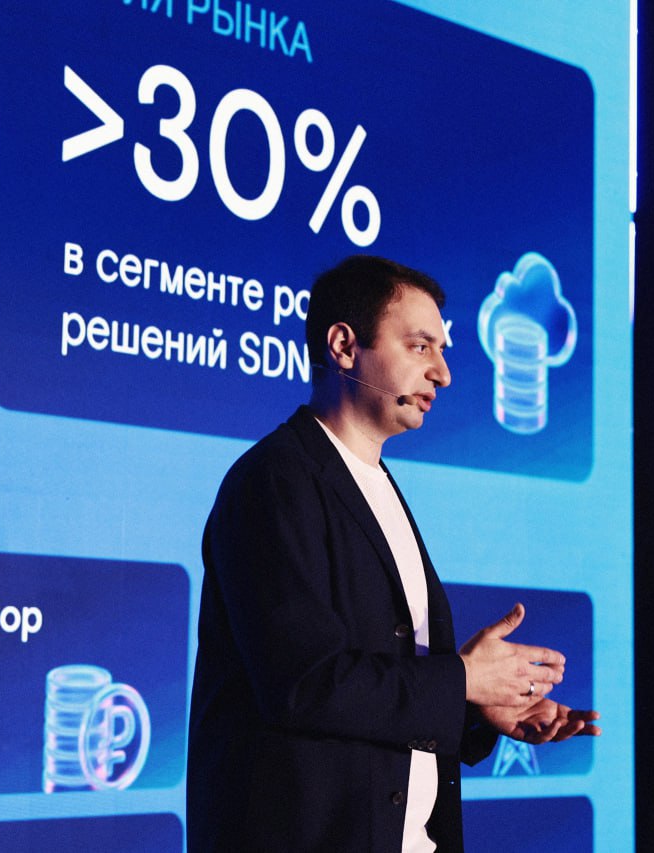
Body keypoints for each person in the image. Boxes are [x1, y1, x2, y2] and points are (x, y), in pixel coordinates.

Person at [187, 255, 600, 852]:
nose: (444, 374)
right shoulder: (275, 481)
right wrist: (462, 680)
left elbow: (378, 681)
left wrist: (477, 707)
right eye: (420, 346)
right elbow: (306, 682)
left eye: (442, 350)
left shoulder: (378, 484)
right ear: (344, 347)